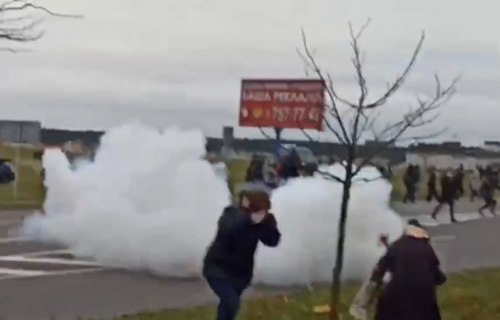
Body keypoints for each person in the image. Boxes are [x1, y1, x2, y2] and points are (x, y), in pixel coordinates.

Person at [203, 190, 281, 320]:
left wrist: (264, 224)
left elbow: (273, 241)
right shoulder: (231, 213)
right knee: (231, 303)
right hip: (218, 268)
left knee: (228, 309)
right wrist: (247, 218)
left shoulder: (265, 221)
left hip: (241, 274)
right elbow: (227, 229)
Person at [370, 219, 446, 320]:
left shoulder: (396, 246)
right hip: (424, 299)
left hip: (395, 296)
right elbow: (439, 278)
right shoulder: (427, 248)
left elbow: (378, 273)